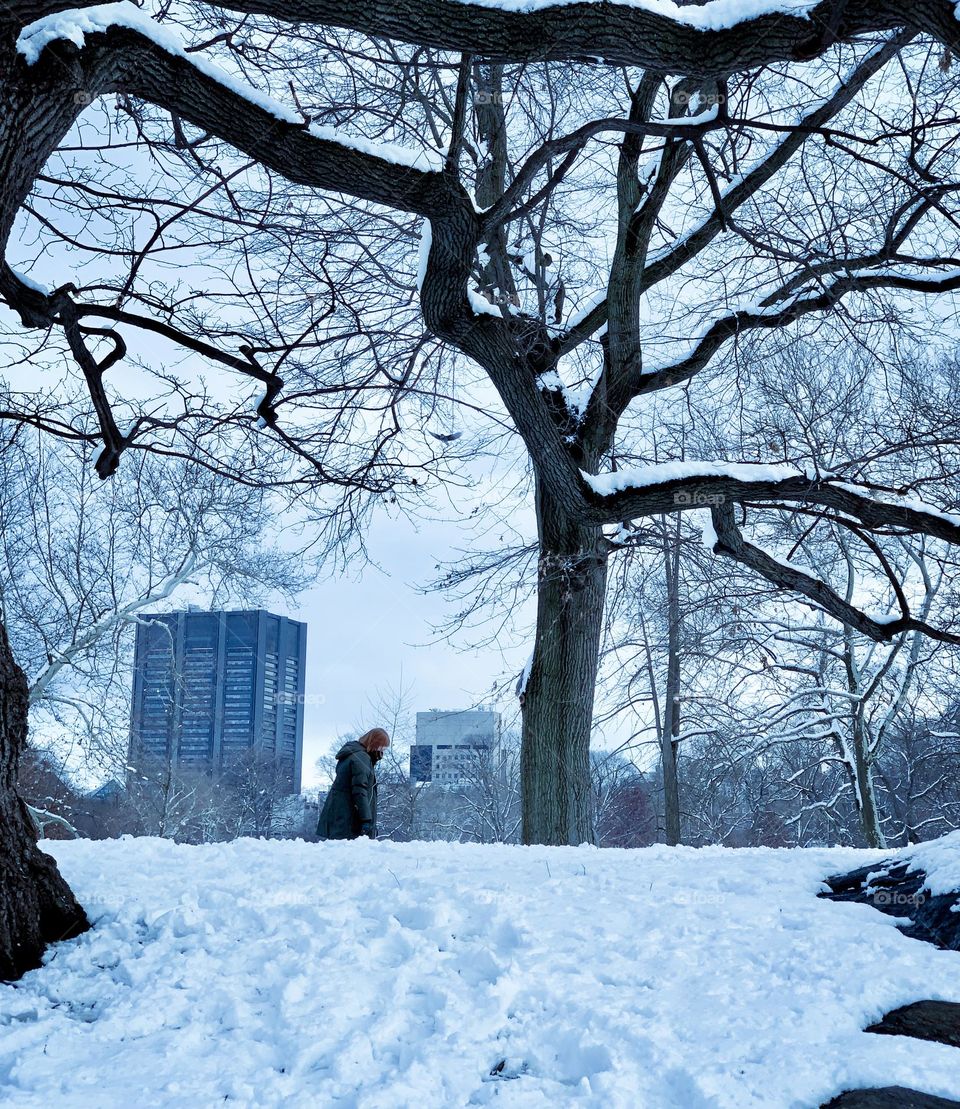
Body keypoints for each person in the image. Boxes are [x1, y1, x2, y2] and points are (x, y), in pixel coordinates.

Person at [316, 727, 390, 840]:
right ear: (374, 743)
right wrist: (366, 819)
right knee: (351, 854)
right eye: (382, 747)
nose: (382, 751)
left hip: (341, 817)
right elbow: (360, 790)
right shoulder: (362, 758)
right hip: (349, 820)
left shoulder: (352, 755)